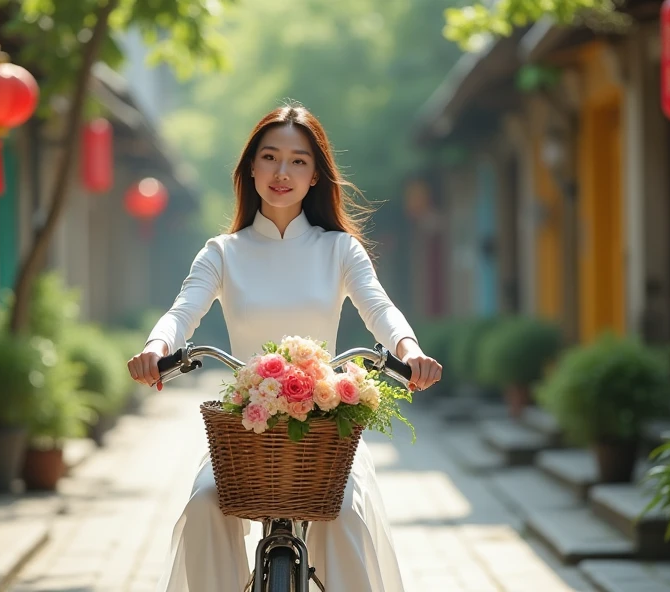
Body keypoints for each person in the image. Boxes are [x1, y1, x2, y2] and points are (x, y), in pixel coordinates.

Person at [127, 103, 443, 592]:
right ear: (250, 167)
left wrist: (409, 348)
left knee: (347, 518)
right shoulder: (222, 253)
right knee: (203, 506)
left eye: (298, 160)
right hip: (244, 431)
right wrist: (157, 345)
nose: (281, 172)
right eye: (269, 157)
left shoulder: (339, 249)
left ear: (316, 175)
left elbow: (379, 308)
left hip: (327, 431)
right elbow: (182, 311)